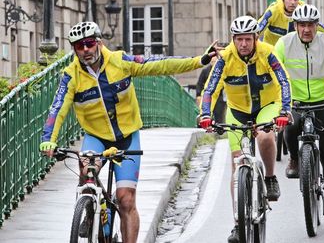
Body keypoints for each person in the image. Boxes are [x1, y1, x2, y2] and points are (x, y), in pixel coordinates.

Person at [38, 21, 217, 243]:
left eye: (89, 43)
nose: (85, 49)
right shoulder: (70, 76)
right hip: (96, 136)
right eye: (78, 46)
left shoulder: (120, 62)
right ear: (74, 50)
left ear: (99, 42)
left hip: (127, 138)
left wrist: (199, 60)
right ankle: (87, 207)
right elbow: (58, 108)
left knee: (126, 200)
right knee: (86, 171)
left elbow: (160, 64)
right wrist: (48, 140)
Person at [198, 15, 292, 243]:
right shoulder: (225, 58)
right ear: (233, 39)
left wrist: (284, 110)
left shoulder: (267, 53)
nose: (243, 44)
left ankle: (269, 178)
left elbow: (283, 81)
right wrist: (205, 114)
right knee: (237, 163)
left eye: (247, 39)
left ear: (255, 38)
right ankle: (238, 223)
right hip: (238, 110)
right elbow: (211, 89)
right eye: (239, 39)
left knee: (265, 138)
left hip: (267, 106)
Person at [274, 4, 324, 219]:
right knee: (289, 130)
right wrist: (275, 100)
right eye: (302, 25)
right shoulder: (284, 43)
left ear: (317, 26)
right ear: (295, 25)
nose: (306, 29)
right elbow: (273, 72)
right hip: (295, 101)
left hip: (322, 101)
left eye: (310, 25)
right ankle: (294, 158)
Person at [257, 0, 324, 46]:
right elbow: (257, 31)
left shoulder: (303, 12)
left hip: (291, 54)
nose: (293, 2)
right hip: (272, 53)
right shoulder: (273, 12)